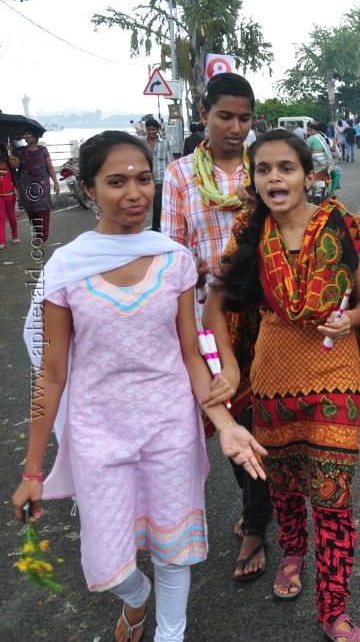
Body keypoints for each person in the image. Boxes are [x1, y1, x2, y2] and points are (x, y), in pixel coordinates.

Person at [12, 131, 266, 642]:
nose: (134, 192)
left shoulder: (173, 260)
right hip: (98, 432)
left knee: (174, 551)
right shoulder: (67, 268)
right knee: (109, 561)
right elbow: (53, 374)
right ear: (87, 189)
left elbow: (190, 354)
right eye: (116, 181)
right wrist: (33, 469)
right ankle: (136, 598)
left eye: (143, 179)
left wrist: (225, 423)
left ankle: (171, 633)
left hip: (169, 426)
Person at [204, 129, 360, 642]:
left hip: (335, 373)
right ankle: (293, 551)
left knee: (333, 495)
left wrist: (351, 320)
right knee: (283, 484)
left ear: (309, 175)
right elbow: (214, 309)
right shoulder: (248, 233)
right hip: (273, 373)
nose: (275, 177)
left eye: (286, 167)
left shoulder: (340, 225)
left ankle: (334, 609)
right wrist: (229, 368)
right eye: (264, 169)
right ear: (254, 181)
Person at [161, 72, 274, 583]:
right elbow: (172, 252)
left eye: (244, 118)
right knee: (229, 412)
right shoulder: (181, 175)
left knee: (268, 414)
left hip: (272, 312)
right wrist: (199, 273)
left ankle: (257, 520)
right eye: (224, 116)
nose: (235, 127)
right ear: (204, 114)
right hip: (212, 315)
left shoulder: (264, 167)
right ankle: (257, 510)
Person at [9, 128, 59, 245]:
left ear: (36, 137)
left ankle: (43, 236)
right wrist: (10, 153)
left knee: (43, 211)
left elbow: (50, 167)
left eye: (29, 135)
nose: (26, 137)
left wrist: (56, 183)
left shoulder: (43, 150)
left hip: (42, 185)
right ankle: (38, 232)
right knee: (31, 210)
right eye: (25, 135)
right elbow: (14, 165)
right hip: (27, 185)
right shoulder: (20, 151)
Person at [144, 119, 174, 232]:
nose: (151, 131)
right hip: (145, 179)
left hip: (161, 179)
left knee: (158, 205)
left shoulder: (164, 143)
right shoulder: (142, 144)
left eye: (153, 129)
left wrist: (171, 177)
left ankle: (156, 228)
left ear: (157, 130)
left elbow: (170, 160)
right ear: (146, 130)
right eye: (149, 129)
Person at [0, 142, 19, 250]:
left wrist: (10, 151)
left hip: (10, 194)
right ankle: (2, 241)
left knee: (11, 216)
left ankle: (15, 236)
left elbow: (15, 177)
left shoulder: (8, 163)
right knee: (0, 217)